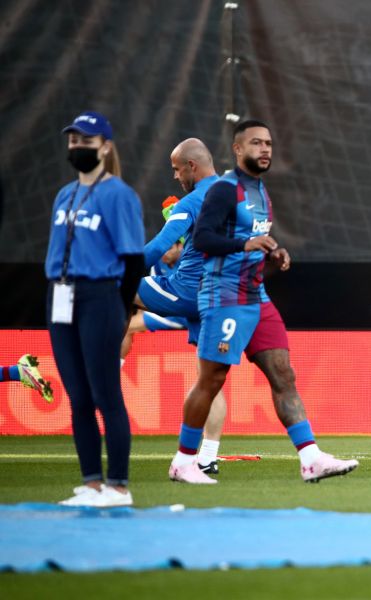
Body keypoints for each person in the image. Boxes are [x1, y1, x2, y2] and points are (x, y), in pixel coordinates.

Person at [168, 119, 358, 484]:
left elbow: (251, 239)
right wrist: (244, 245)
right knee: (212, 379)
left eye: (269, 143)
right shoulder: (224, 190)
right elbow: (204, 240)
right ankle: (183, 461)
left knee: (283, 374)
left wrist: (274, 252)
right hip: (224, 296)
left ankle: (311, 458)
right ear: (238, 150)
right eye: (256, 143)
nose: (265, 149)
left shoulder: (260, 193)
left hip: (256, 296)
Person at [46, 111, 145, 507]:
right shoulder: (64, 194)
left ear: (105, 146)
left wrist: (121, 312)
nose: (78, 146)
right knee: (78, 395)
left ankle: (118, 486)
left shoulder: (118, 194)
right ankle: (91, 485)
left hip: (99, 296)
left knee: (106, 394)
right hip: (60, 296)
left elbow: (134, 260)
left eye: (86, 140)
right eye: (73, 140)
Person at [124, 147, 229, 474]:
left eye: (176, 169)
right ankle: (208, 456)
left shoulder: (193, 201)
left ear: (191, 166)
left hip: (184, 291)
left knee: (111, 284)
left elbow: (157, 247)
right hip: (219, 297)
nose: (174, 176)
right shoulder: (235, 196)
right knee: (209, 380)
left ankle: (105, 371)